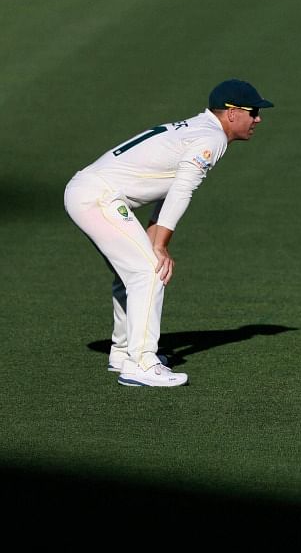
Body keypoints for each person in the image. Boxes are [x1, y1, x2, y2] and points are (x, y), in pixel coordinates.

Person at [65, 79, 273, 386]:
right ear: (231, 113)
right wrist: (161, 244)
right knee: (150, 271)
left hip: (89, 192)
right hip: (98, 197)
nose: (258, 118)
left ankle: (123, 353)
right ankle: (142, 363)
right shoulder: (211, 138)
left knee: (133, 273)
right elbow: (182, 188)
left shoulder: (197, 129)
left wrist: (154, 233)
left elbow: (168, 184)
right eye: (253, 111)